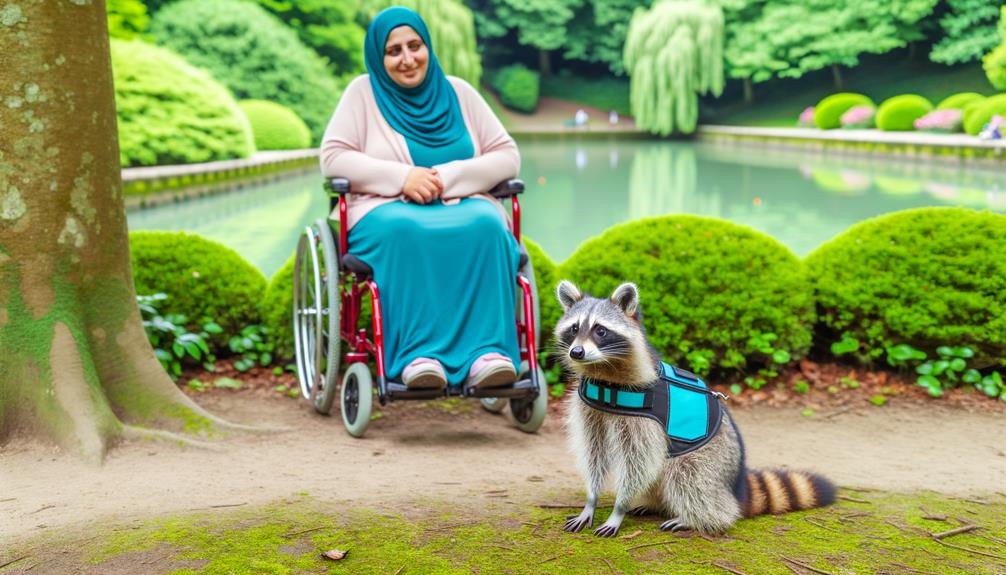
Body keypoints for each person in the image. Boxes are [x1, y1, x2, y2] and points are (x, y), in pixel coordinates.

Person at [319, 6, 522, 391]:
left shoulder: (460, 93)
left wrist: (447, 177)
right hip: (383, 211)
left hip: (462, 205)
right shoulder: (362, 93)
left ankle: (488, 355)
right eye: (394, 51)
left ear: (428, 46)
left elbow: (507, 155)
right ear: (379, 58)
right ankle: (416, 357)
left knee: (487, 225)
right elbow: (333, 157)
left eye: (415, 46)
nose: (408, 59)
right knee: (406, 228)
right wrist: (402, 178)